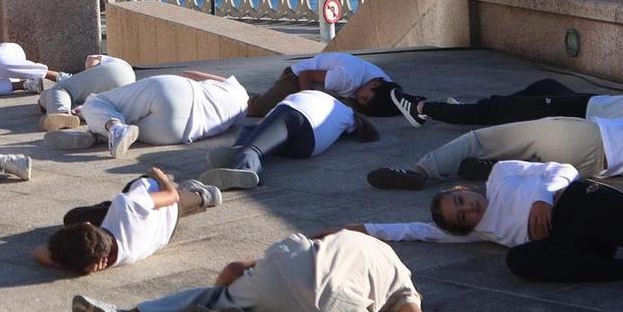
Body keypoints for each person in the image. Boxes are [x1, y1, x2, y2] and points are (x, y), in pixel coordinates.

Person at [353, 164, 623, 286]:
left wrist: (544, 197)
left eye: (461, 200)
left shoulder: (500, 175)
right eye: (461, 216)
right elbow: (413, 230)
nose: (468, 209)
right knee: (520, 261)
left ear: (462, 189)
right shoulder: (481, 230)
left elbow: (563, 169)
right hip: (571, 240)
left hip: (577, 201)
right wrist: (362, 229)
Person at [71, 229, 433, 312]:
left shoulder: (354, 241)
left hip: (283, 275)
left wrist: (230, 283)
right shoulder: (401, 279)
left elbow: (234, 268)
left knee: (215, 296)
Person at [366, 114, 623, 190]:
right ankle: (492, 169)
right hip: (597, 167)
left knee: (483, 137)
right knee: (534, 162)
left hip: (589, 136)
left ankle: (422, 171)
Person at [378, 76, 623, 138]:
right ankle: (472, 108)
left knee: (496, 109)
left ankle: (423, 108)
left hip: (582, 114)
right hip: (586, 101)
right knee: (541, 87)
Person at [34, 166, 221, 275]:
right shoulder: (127, 205)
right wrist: (159, 175)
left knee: (72, 216)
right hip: (165, 205)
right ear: (90, 225)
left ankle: (201, 196)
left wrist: (79, 267)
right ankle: (201, 195)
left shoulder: (111, 260)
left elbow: (38, 253)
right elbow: (170, 195)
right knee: (175, 199)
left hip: (164, 233)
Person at [201, 89, 378, 190]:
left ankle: (247, 164)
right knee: (260, 135)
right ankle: (241, 151)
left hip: (296, 115)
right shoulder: (348, 115)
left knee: (254, 143)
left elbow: (268, 120)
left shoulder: (311, 94)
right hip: (309, 147)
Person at [57, 70, 250, 155]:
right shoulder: (240, 112)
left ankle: (110, 126)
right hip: (179, 132)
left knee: (95, 101)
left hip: (177, 90)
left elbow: (190, 74)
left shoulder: (236, 86)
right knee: (133, 125)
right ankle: (100, 134)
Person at [244, 51, 395, 119]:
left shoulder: (385, 82)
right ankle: (244, 97)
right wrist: (304, 104)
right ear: (374, 84)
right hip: (297, 78)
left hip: (329, 86)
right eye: (365, 99)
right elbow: (306, 74)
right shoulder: (346, 79)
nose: (361, 102)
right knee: (259, 110)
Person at [37, 54, 137, 131]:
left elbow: (92, 60)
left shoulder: (98, 58)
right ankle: (72, 114)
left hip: (115, 70)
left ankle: (61, 113)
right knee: (89, 105)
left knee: (61, 89)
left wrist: (90, 72)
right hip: (128, 82)